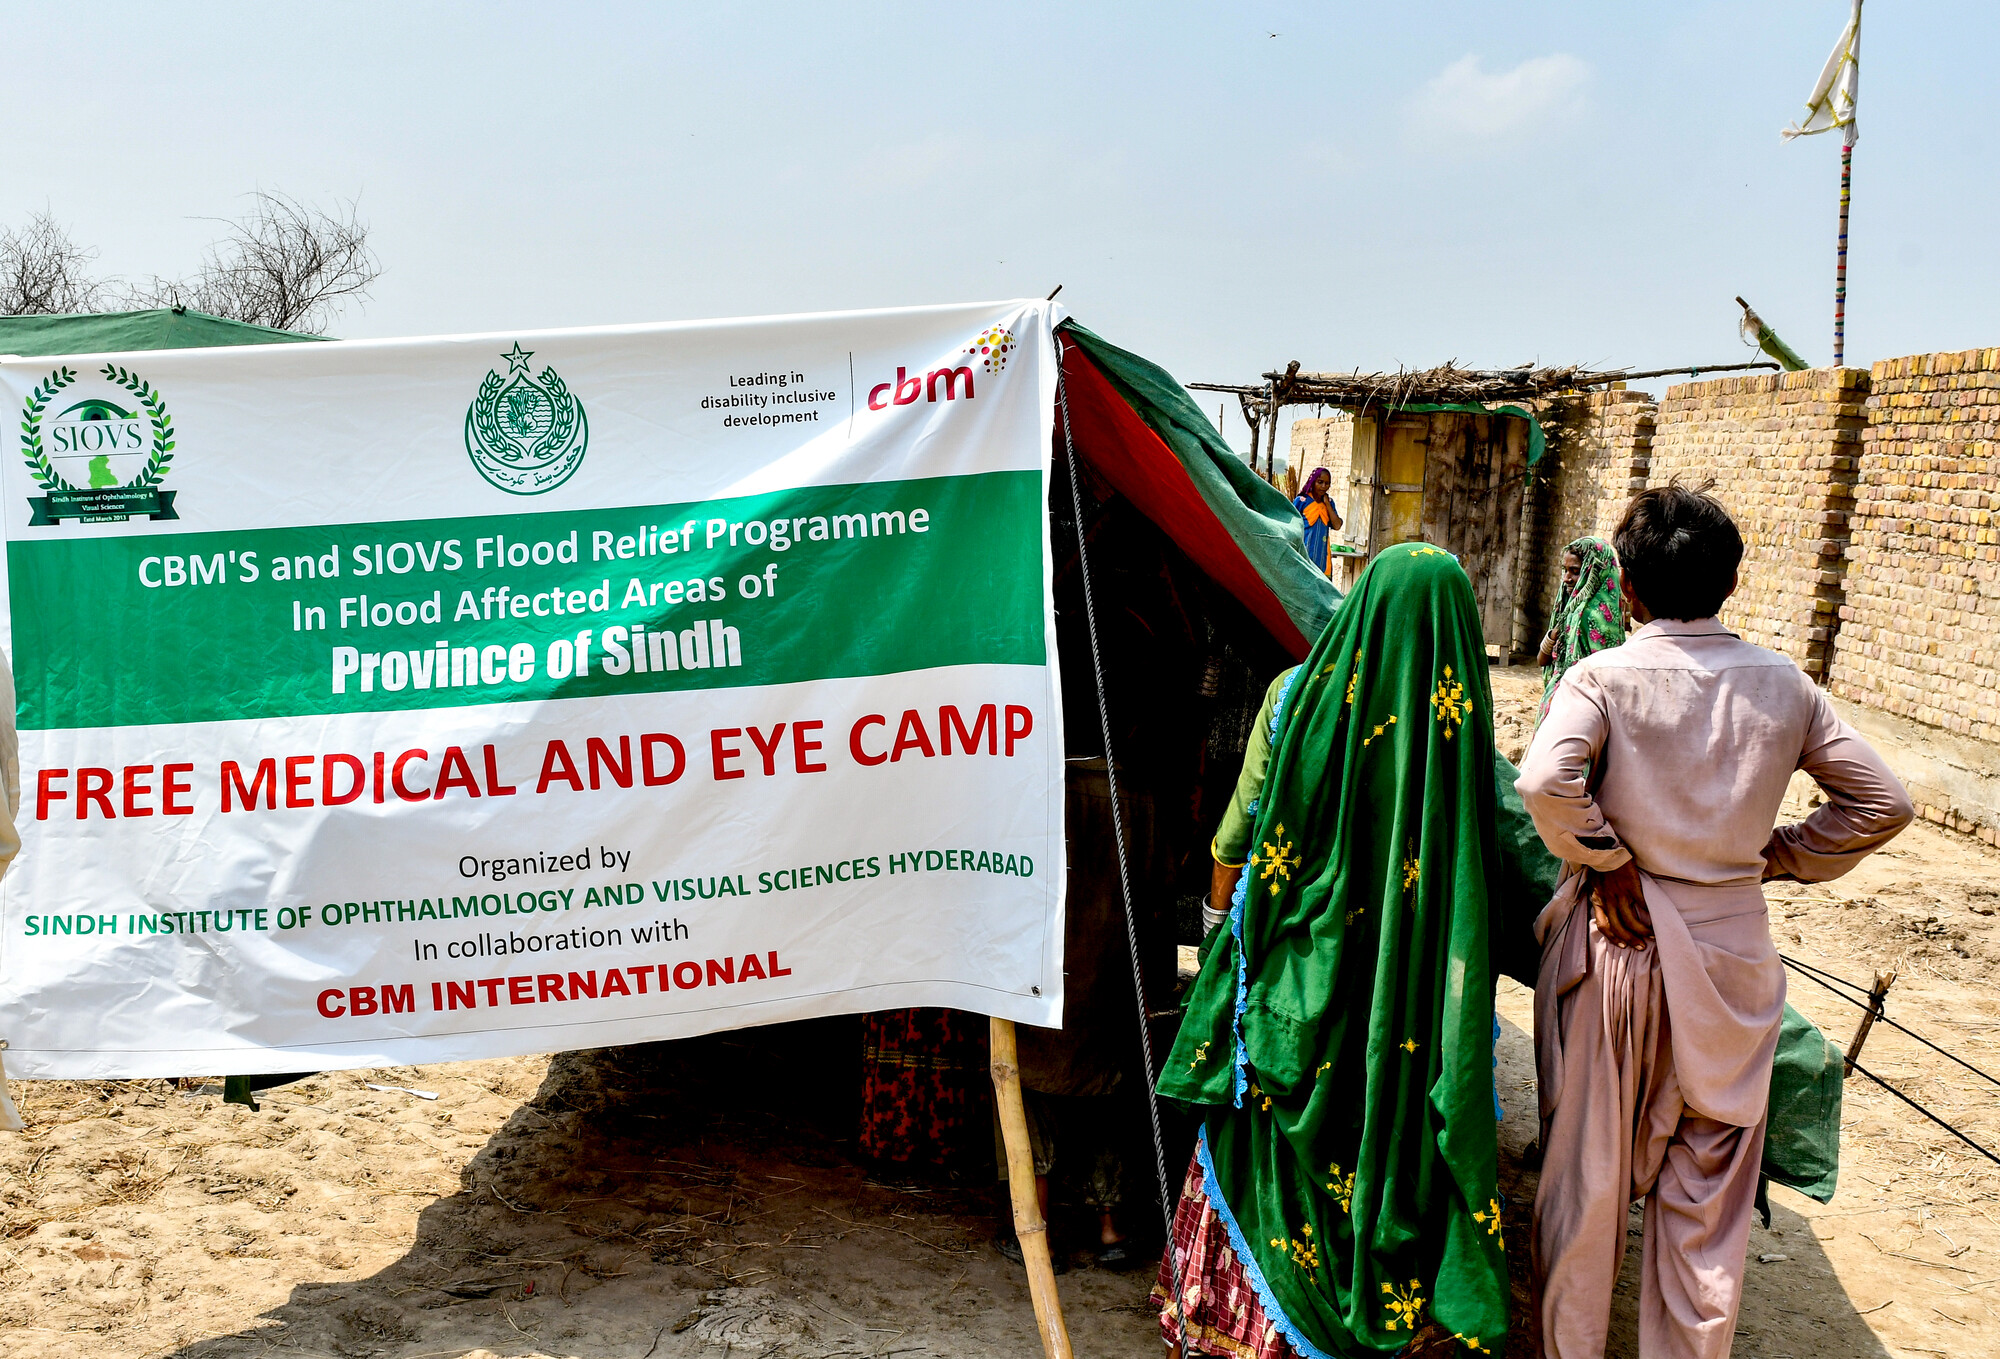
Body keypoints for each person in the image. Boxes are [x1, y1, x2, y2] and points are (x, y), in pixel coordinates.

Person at [1516, 484, 1913, 1359]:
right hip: (1734, 962)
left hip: (1618, 949)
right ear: (1731, 584)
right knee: (1707, 1214)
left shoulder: (1602, 676)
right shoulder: (1786, 685)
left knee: (1586, 1190)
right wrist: (1781, 853)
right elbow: (1884, 802)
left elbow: (1544, 780)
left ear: (1626, 589)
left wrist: (1608, 858)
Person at [1155, 542, 1513, 1357]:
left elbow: (1237, 835)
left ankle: (1233, 1330)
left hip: (1291, 983)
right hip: (1400, 998)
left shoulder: (1296, 696)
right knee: (1377, 1136)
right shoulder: (1457, 725)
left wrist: (1220, 932)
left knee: (1263, 1158)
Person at [1535, 536, 1624, 723]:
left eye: (1575, 571)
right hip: (1563, 705)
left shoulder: (1593, 617)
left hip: (1578, 712)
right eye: (1565, 570)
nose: (1566, 578)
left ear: (1594, 572)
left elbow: (1603, 683)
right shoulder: (1569, 609)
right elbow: (1542, 659)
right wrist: (1552, 636)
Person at [1293, 467, 1343, 577]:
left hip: (1322, 558)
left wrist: (1327, 504)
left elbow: (1337, 525)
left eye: (1327, 483)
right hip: (1304, 555)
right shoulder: (1302, 501)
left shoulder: (1329, 503)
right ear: (1313, 482)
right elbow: (1291, 525)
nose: (1323, 486)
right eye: (1320, 482)